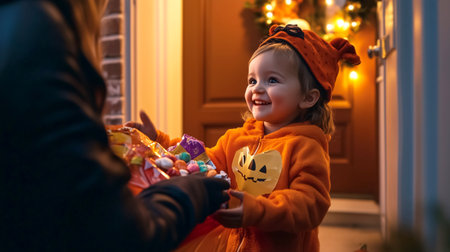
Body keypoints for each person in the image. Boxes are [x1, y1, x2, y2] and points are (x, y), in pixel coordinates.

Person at [0, 0, 230, 251]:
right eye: (252, 80)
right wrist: (187, 192)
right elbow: (118, 231)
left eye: (272, 79)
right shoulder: (38, 32)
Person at [127, 24, 361, 251]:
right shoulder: (236, 138)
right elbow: (202, 161)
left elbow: (310, 204)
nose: (257, 88)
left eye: (272, 80)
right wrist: (159, 140)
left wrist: (258, 210)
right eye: (252, 80)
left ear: (308, 98)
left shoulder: (306, 147)